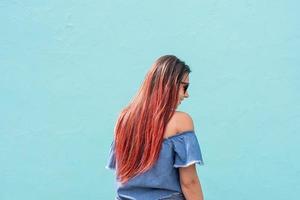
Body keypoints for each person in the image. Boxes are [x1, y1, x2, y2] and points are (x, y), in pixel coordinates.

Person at [106, 55, 204, 200]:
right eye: (185, 87)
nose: (187, 94)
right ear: (168, 85)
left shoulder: (124, 119)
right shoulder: (180, 121)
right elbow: (189, 182)